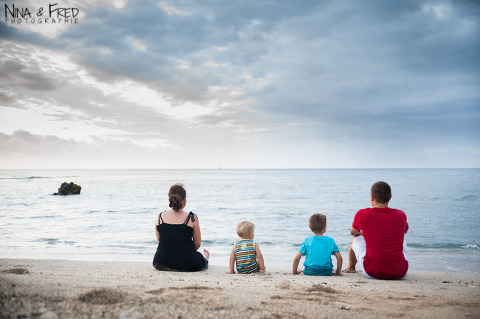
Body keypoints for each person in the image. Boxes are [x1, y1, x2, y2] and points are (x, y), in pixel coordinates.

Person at [344, 181, 409, 280]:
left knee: (355, 239)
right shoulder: (401, 215)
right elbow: (404, 231)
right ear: (390, 197)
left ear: (372, 197)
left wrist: (364, 233)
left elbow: (353, 232)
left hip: (371, 272)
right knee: (402, 238)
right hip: (400, 272)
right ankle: (396, 264)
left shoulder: (362, 214)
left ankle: (351, 267)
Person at [153, 183, 209, 271]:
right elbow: (197, 244)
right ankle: (206, 257)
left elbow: (161, 242)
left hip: (161, 261)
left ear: (169, 199)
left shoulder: (160, 217)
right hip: (187, 263)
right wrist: (183, 251)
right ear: (185, 200)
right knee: (202, 259)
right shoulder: (192, 218)